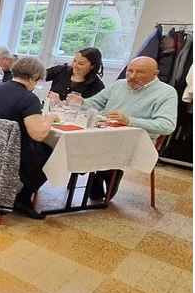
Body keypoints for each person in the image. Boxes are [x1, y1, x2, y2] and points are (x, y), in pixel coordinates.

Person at [66, 56, 177, 200]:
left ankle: (104, 172)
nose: (132, 76)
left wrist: (130, 121)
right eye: (129, 71)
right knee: (78, 140)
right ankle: (102, 171)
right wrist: (80, 102)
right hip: (106, 133)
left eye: (140, 73)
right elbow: (96, 102)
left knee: (93, 146)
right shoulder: (119, 85)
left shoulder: (166, 92)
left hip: (138, 140)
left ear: (155, 74)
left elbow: (167, 126)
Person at [0, 57, 59, 219]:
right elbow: (38, 134)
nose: (35, 85)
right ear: (32, 78)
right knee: (51, 153)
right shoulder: (29, 99)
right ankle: (22, 198)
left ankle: (20, 194)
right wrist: (50, 118)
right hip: (10, 152)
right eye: (36, 81)